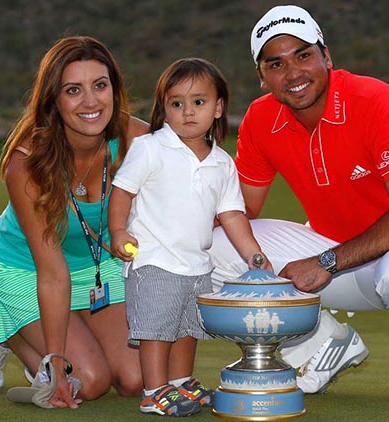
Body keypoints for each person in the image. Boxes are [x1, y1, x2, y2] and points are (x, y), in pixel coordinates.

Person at [209, 5, 389, 402]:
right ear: (261, 78)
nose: (293, 74)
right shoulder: (260, 120)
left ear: (326, 56)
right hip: (333, 251)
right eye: (276, 63)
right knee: (214, 244)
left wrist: (326, 262)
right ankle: (322, 345)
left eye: (303, 55)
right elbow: (239, 209)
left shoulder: (376, 100)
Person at [0, 35, 150, 408]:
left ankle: (62, 332)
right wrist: (56, 361)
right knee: (89, 382)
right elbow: (51, 273)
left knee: (135, 378)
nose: (91, 102)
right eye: (73, 90)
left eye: (100, 85)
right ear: (53, 99)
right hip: (29, 271)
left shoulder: (138, 139)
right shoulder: (26, 163)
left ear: (114, 87)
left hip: (98, 267)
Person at [108, 58, 273, 416]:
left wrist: (253, 254)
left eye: (198, 102)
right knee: (157, 328)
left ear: (218, 108)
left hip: (197, 263)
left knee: (188, 327)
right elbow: (122, 192)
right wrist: (118, 231)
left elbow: (232, 214)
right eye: (176, 103)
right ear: (164, 108)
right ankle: (154, 391)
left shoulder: (222, 163)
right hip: (154, 259)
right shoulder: (150, 148)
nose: (187, 112)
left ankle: (181, 382)